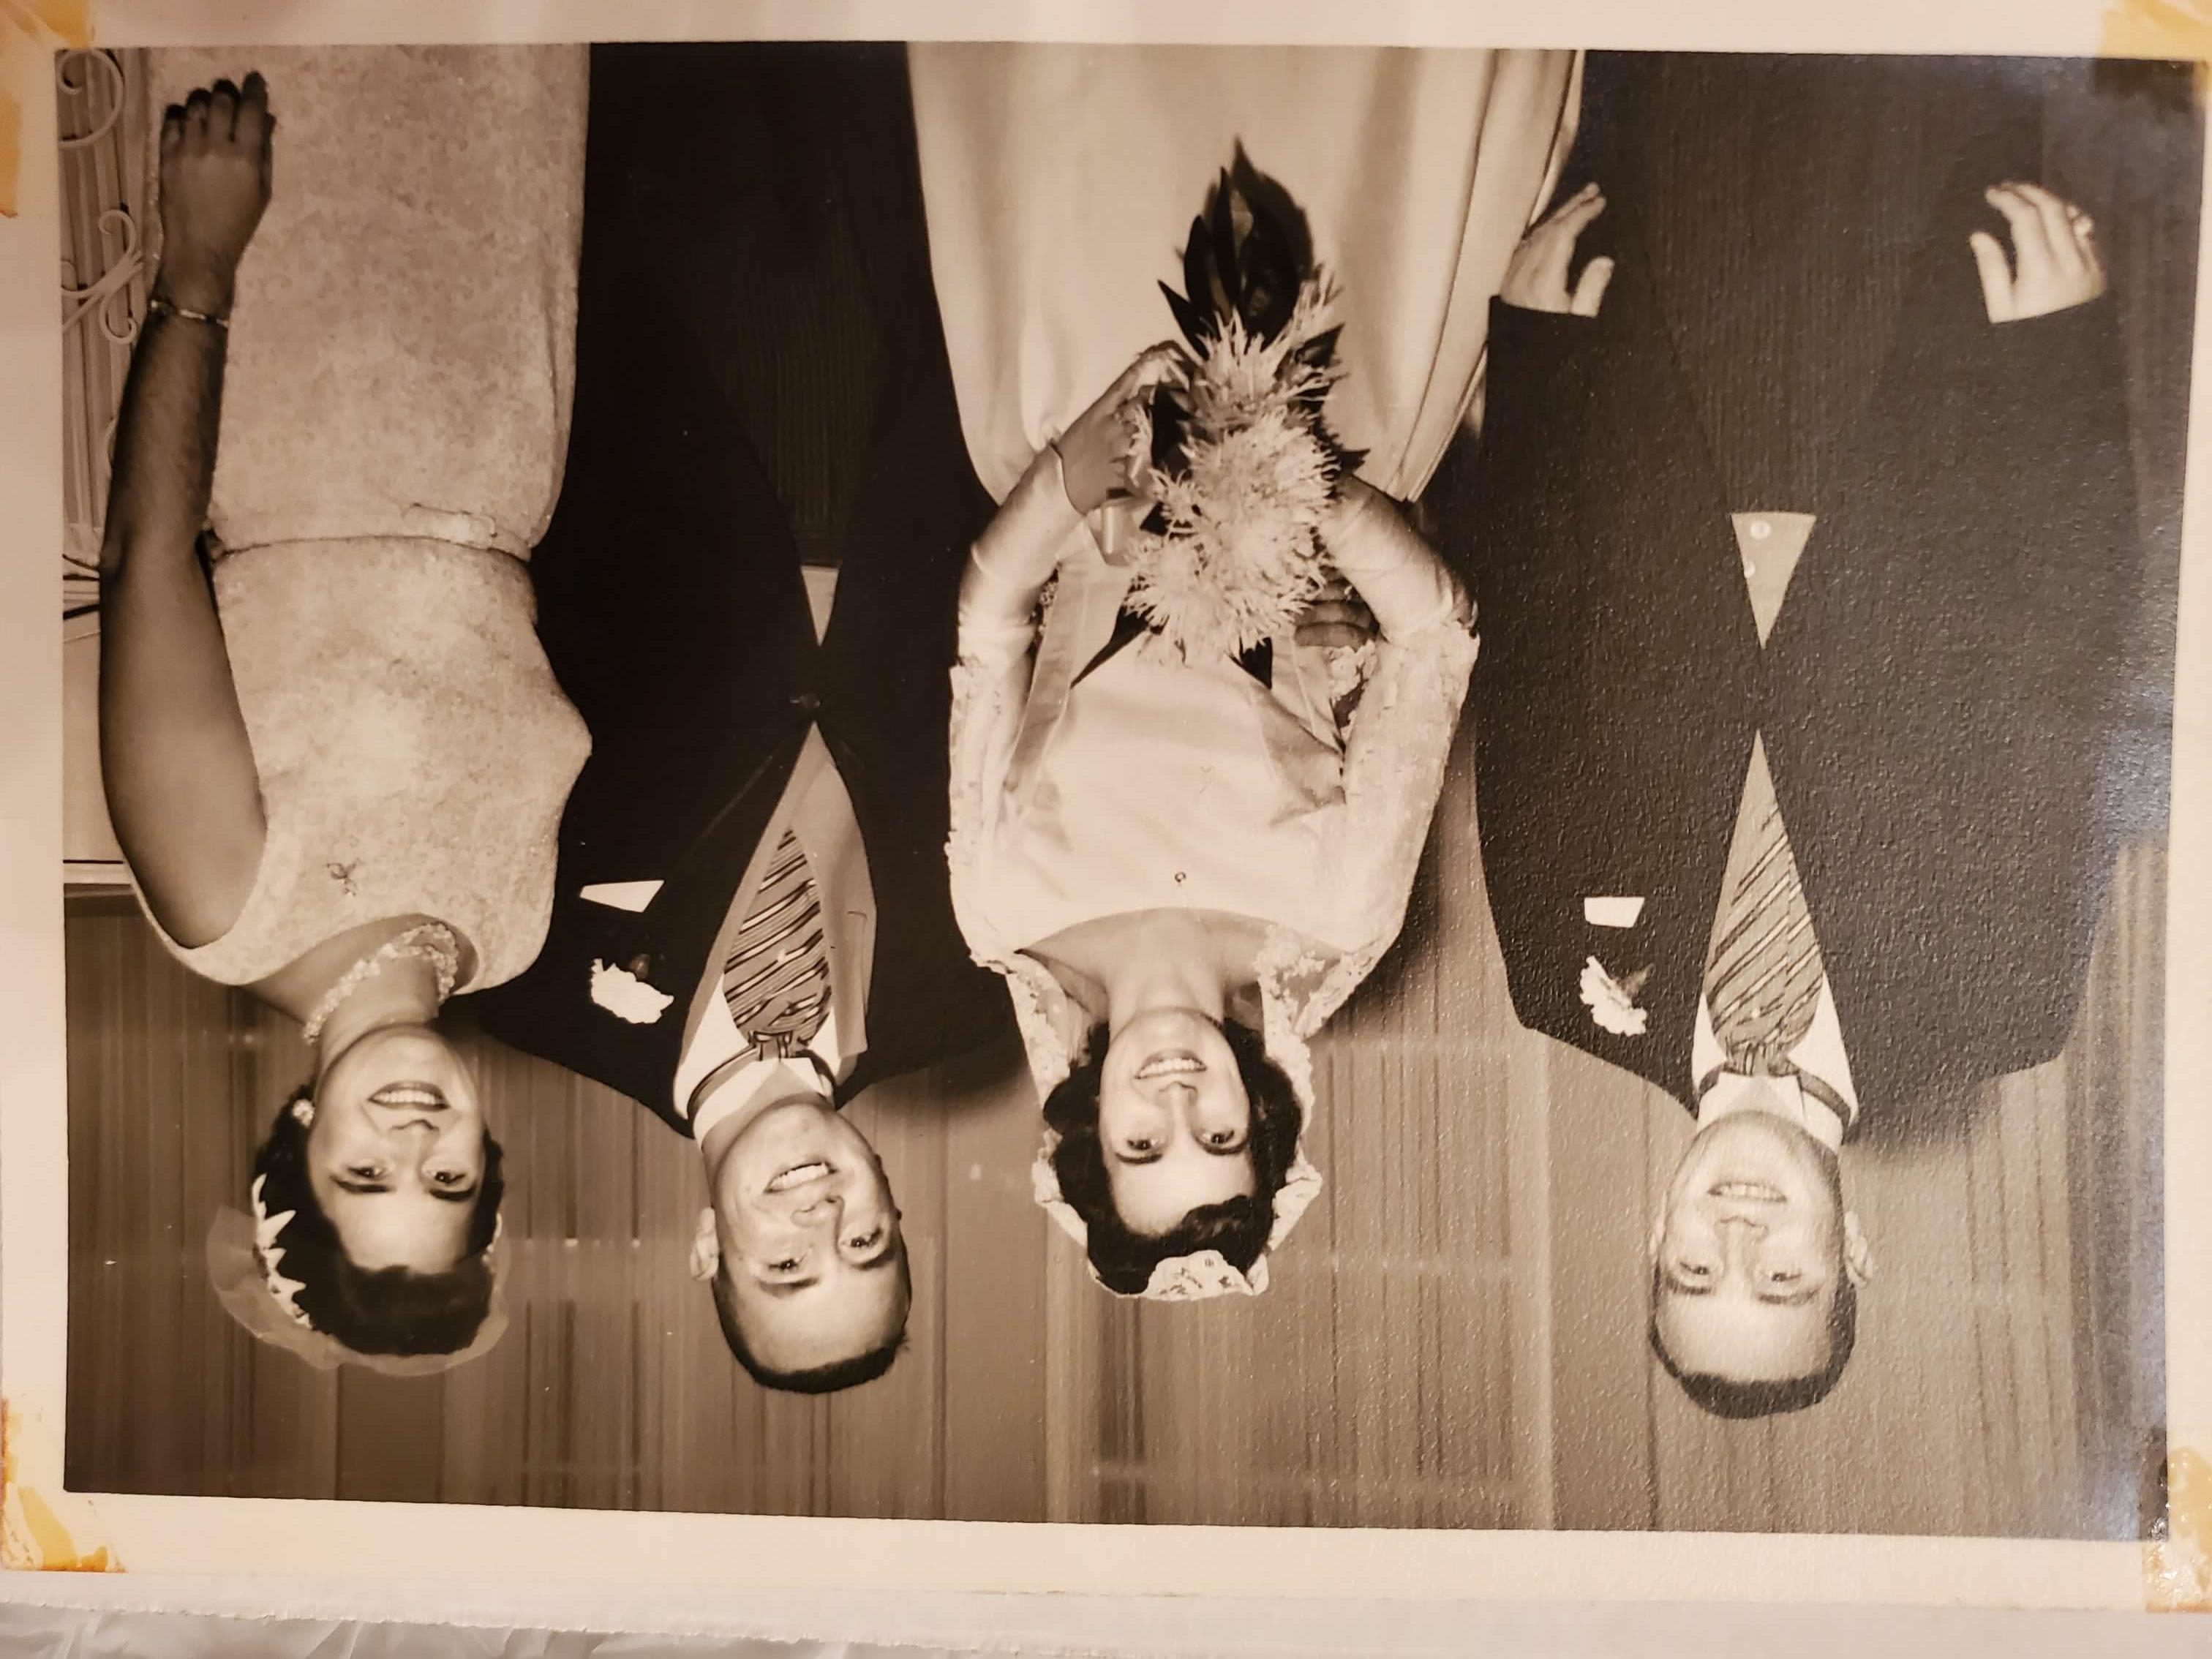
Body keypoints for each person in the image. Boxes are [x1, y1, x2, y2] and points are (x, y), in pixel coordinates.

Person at [1453, 56, 2139, 1415]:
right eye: (1782, 1281)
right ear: (1854, 1254)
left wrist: (1535, 360)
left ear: (1652, 1237)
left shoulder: (1556, 980)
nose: (1740, 1238)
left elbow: (1530, 640)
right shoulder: (2006, 1001)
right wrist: (2059, 365)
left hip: (1664, 377)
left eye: (1693, 1274)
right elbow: (2072, 665)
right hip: (1925, 394)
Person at [914, 43, 1579, 1300]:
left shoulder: (999, 910)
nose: (1177, 1102)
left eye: (1140, 1145)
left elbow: (987, 634)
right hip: (1338, 403)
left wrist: (1068, 478)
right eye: (1219, 1138)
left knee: (1094, 80)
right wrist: (1301, 473)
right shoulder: (1338, 912)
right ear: (1266, 1117)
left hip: (1084, 418)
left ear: (1083, 1125)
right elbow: (1437, 638)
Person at [469, 45, 1012, 1393]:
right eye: (868, 1244)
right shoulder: (977, 992)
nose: (822, 1221)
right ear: (896, 1204)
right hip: (915, 432)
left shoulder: (528, 987)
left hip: (674, 403)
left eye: (785, 1267)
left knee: (677, 55)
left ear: (709, 1250)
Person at [98, 52, 591, 1366]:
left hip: (307, 348)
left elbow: (147, 557)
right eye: (450, 1180)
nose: (414, 1140)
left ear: (298, 1145)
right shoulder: (517, 933)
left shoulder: (227, 907)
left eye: (364, 1177)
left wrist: (203, 265)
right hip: (505, 394)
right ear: (490, 1157)